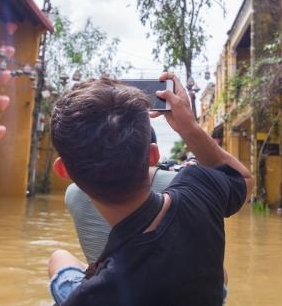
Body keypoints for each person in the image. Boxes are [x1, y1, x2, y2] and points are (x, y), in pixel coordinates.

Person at [48, 73, 254, 306]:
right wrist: (190, 128)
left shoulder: (89, 297)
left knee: (60, 259)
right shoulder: (199, 191)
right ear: (153, 156)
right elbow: (243, 179)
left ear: (64, 171)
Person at [62, 127, 177, 264]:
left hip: (101, 280)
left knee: (60, 256)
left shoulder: (73, 193)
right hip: (165, 282)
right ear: (152, 155)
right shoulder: (177, 183)